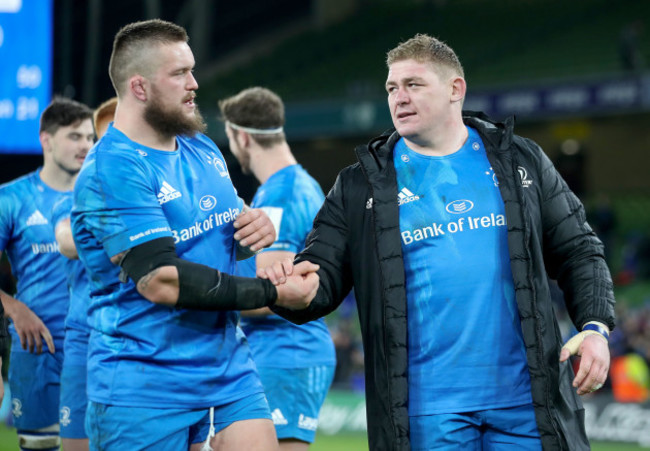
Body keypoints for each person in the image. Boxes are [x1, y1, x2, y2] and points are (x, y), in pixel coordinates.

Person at [261, 34, 616, 450]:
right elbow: (320, 276)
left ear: (455, 90)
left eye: (414, 84)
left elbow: (579, 250)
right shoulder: (359, 185)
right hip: (425, 413)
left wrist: (595, 327)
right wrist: (295, 291)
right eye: (392, 88)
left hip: (526, 403)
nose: (399, 98)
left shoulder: (521, 160)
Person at [70, 19, 317, 451]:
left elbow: (228, 230)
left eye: (192, 69)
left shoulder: (200, 146)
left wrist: (254, 231)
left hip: (229, 374)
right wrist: (270, 293)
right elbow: (160, 280)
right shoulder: (113, 168)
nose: (194, 84)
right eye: (179, 73)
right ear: (140, 87)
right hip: (144, 385)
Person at [218, 87, 336, 450]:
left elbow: (275, 289)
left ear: (241, 136)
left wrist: (197, 293)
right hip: (283, 353)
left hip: (285, 352)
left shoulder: (281, 196)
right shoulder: (297, 185)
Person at [0, 97, 94, 451]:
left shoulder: (102, 200)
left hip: (96, 350)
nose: (85, 145)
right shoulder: (11, 199)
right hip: (39, 352)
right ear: (47, 140)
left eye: (90, 137)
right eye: (75, 136)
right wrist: (14, 308)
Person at [50, 98, 116, 451]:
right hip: (84, 339)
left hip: (138, 340)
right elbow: (66, 240)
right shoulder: (73, 199)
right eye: (100, 139)